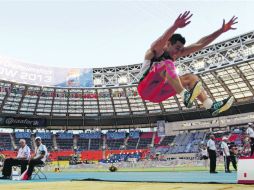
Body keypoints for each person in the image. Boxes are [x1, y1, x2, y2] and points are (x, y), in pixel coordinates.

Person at [138, 11, 237, 116]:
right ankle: (184, 94)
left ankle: (210, 106)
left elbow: (200, 43)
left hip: (159, 94)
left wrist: (220, 31)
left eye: (180, 49)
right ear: (168, 43)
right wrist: (175, 26)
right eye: (176, 48)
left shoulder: (177, 53)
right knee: (167, 63)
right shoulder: (155, 51)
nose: (178, 52)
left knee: (192, 78)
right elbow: (161, 40)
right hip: (145, 88)